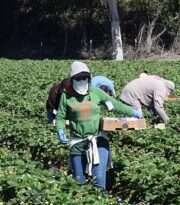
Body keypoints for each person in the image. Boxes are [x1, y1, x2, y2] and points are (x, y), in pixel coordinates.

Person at [55, 61, 142, 190]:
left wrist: (133, 112)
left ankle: (101, 202)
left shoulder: (96, 92)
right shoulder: (66, 96)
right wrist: (60, 130)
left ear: (89, 79)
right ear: (72, 79)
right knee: (79, 180)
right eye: (78, 78)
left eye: (84, 78)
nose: (81, 81)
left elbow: (114, 104)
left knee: (99, 179)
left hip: (98, 140)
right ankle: (84, 203)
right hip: (77, 142)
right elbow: (61, 116)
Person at [46, 76, 116, 124]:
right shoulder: (55, 94)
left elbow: (110, 97)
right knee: (54, 123)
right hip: (53, 109)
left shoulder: (110, 86)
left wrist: (111, 107)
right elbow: (52, 108)